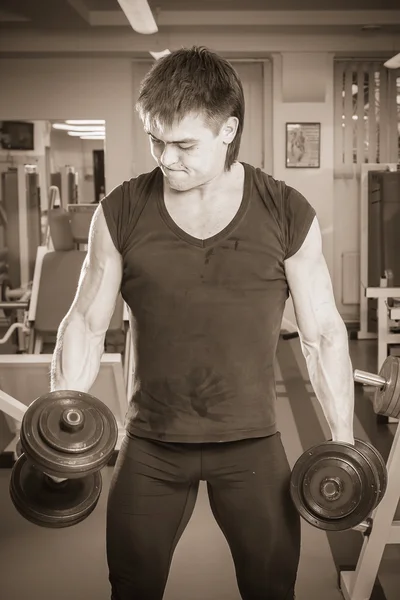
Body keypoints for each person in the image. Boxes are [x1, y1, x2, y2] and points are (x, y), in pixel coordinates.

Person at [50, 46, 355, 600]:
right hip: (150, 444)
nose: (166, 158)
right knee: (131, 586)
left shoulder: (285, 211)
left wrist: (343, 444)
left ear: (227, 130)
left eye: (184, 144)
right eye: (155, 140)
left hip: (252, 444)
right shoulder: (121, 210)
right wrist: (60, 424)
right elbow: (86, 324)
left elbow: (323, 334)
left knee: (270, 587)